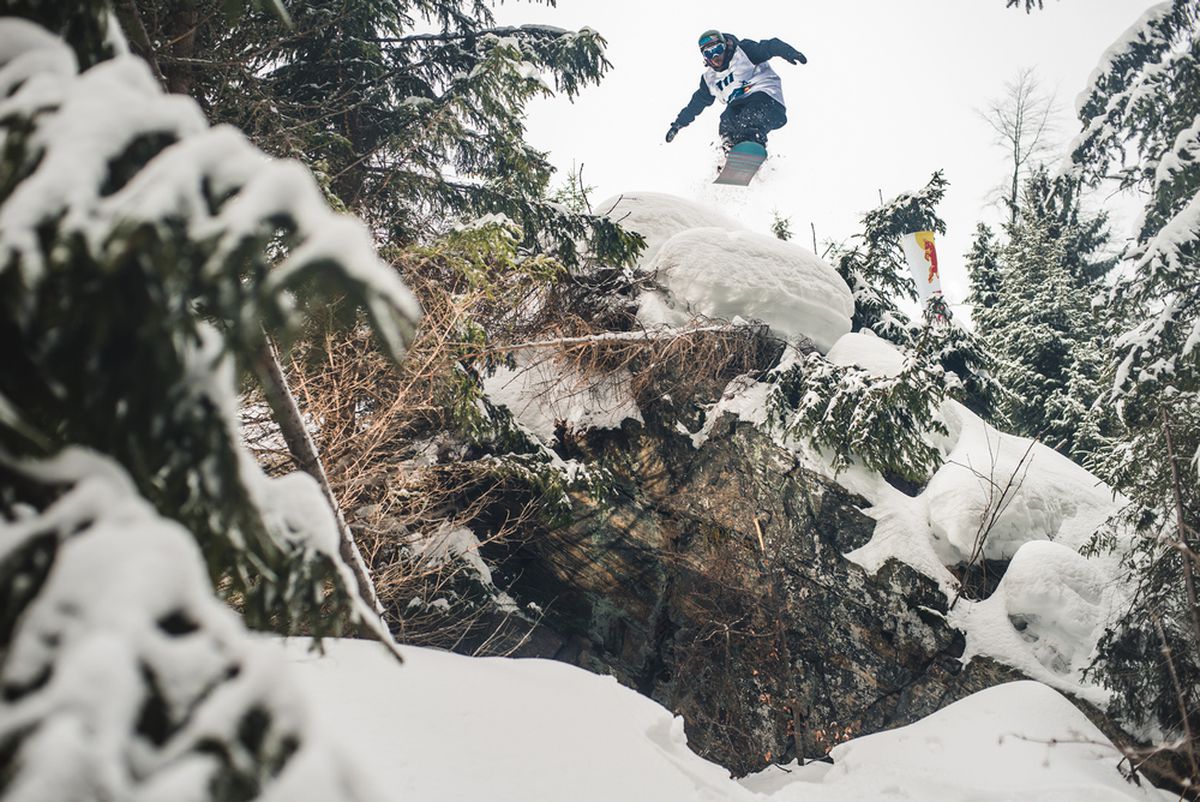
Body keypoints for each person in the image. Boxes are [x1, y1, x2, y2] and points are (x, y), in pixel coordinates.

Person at [665, 30, 806, 153]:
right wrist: (678, 124)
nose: (715, 56)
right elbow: (695, 105)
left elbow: (770, 46)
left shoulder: (744, 52)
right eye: (709, 53)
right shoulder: (710, 79)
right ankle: (730, 154)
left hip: (767, 100)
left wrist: (789, 52)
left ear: (725, 46)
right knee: (727, 120)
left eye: (718, 49)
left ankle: (753, 142)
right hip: (739, 104)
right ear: (704, 57)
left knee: (749, 116)